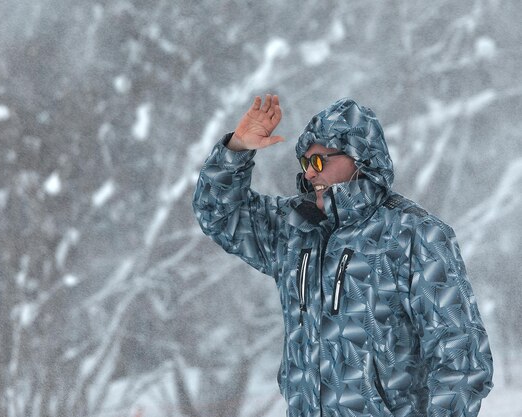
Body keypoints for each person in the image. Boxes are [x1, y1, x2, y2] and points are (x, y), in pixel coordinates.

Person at [192, 95, 493, 417]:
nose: (309, 174)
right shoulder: (296, 230)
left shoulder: (414, 235)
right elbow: (219, 214)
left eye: (319, 161)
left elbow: (461, 356)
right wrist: (236, 149)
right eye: (306, 163)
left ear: (360, 158)